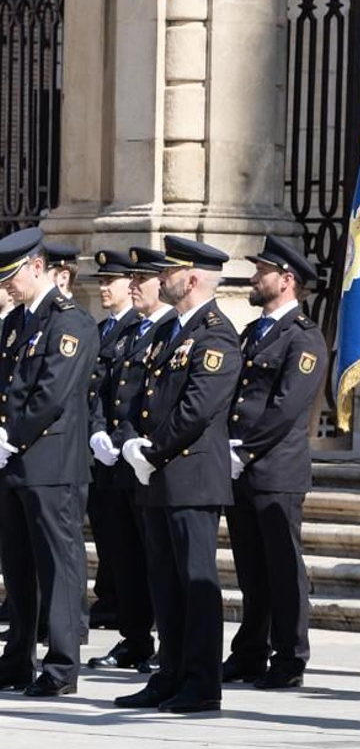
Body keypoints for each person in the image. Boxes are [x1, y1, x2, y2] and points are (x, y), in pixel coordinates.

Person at [114, 237, 241, 714]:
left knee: (194, 582)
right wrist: (131, 441)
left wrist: (151, 449)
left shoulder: (216, 334)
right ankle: (169, 675)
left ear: (191, 279)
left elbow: (197, 409)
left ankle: (201, 683)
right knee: (163, 581)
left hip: (189, 475)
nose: (158, 278)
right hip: (157, 475)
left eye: (167, 272)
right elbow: (138, 396)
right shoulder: (169, 333)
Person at [220, 235, 329, 689]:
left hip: (274, 469)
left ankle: (289, 657)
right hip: (241, 468)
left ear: (286, 281)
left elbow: (287, 408)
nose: (253, 277)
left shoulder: (303, 338)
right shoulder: (255, 332)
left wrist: (242, 450)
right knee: (250, 567)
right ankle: (250, 651)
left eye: (261, 271)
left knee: (282, 567)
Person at [0, 227, 98, 696]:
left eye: (12, 276)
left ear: (37, 267)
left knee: (58, 567)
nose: (7, 285)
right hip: (13, 463)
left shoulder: (70, 322)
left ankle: (61, 666)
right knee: (17, 566)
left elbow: (51, 394)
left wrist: (10, 436)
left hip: (51, 464)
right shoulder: (15, 322)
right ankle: (18, 657)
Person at [87, 250, 178, 672]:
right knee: (121, 555)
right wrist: (98, 430)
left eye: (143, 277)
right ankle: (134, 637)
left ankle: (165, 640)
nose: (135, 284)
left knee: (152, 557)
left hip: (144, 460)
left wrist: (127, 439)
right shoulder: (128, 334)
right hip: (113, 463)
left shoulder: (168, 332)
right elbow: (104, 391)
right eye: (134, 277)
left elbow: (156, 403)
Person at [83, 251, 142, 637]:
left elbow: (130, 393)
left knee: (128, 544)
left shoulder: (138, 327)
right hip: (97, 445)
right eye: (101, 281)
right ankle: (111, 603)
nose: (103, 287)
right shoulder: (100, 328)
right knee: (107, 534)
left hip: (125, 451)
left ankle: (127, 613)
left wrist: (116, 438)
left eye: (111, 281)